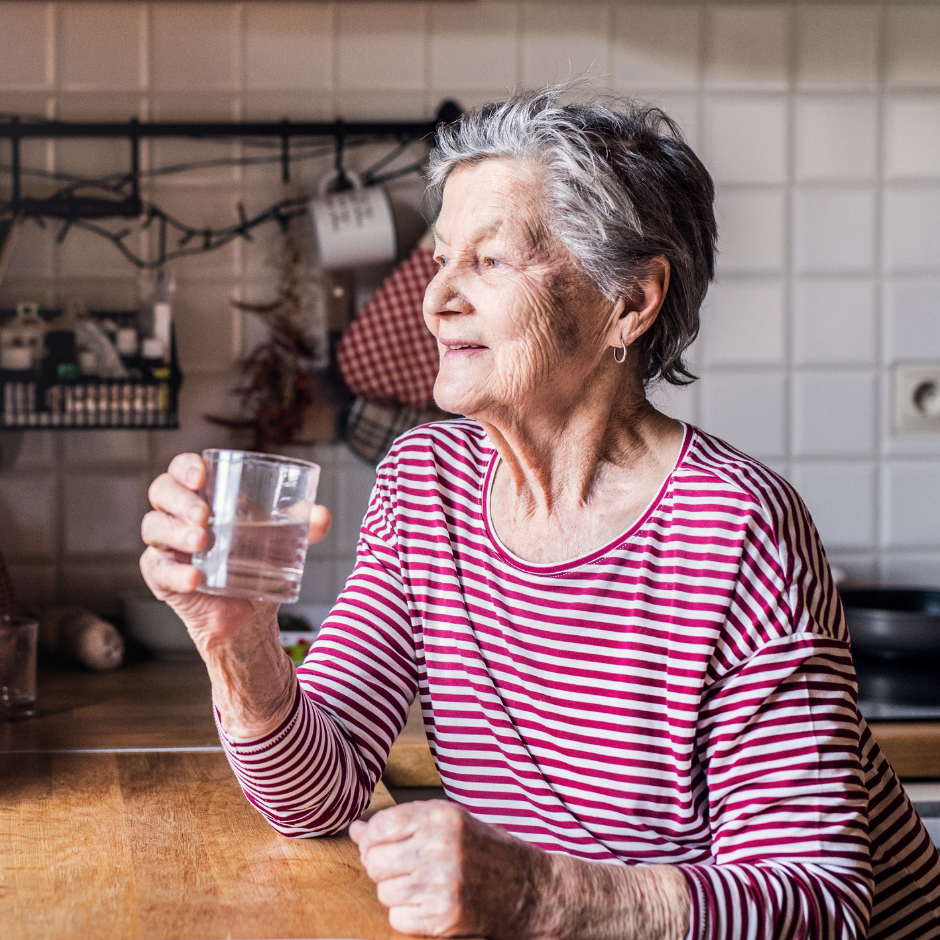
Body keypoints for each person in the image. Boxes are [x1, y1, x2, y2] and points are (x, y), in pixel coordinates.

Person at [141, 87, 940, 940]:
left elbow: (819, 904)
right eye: (443, 257)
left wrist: (540, 896)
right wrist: (238, 644)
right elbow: (320, 794)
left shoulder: (736, 526)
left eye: (489, 261)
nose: (437, 299)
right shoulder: (424, 486)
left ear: (629, 302)